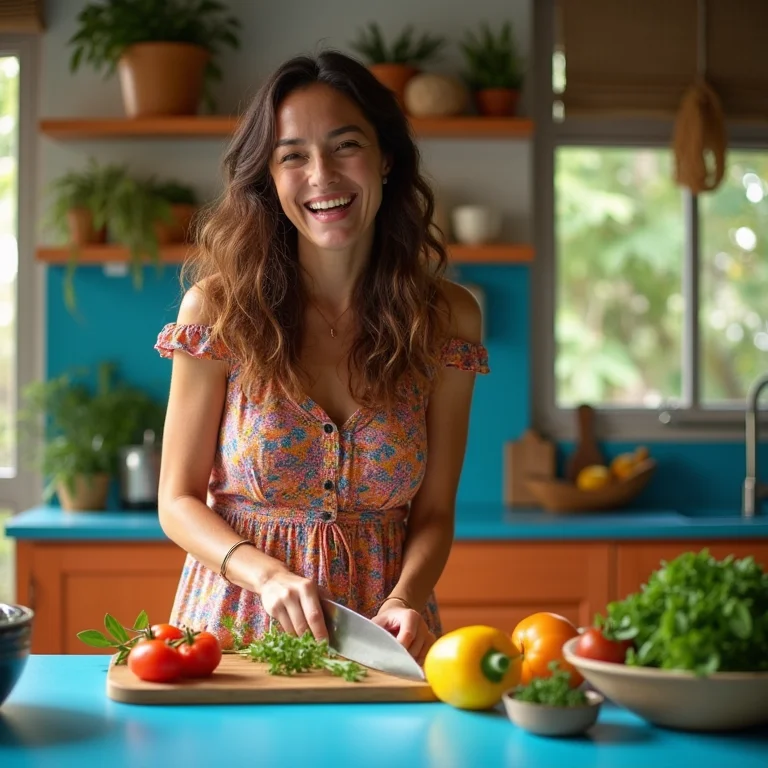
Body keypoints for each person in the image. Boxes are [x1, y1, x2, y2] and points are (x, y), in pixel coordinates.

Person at [154, 50, 489, 664]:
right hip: (234, 635)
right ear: (270, 177)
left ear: (386, 157)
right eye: (292, 156)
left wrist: (407, 597)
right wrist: (265, 574)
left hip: (385, 641)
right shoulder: (218, 310)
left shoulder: (446, 320)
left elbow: (437, 510)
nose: (322, 175)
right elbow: (176, 500)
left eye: (345, 145)